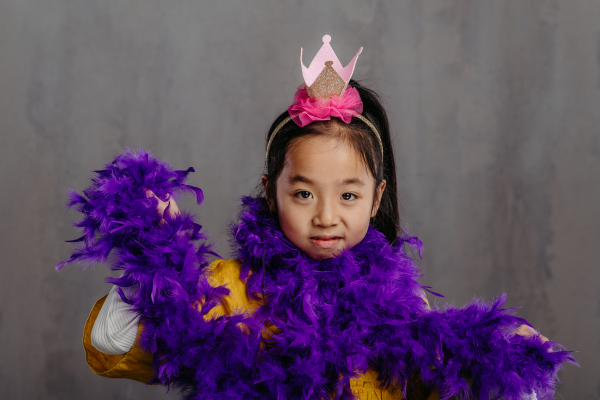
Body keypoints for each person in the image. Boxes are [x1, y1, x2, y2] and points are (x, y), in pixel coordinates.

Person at [59, 36, 573, 400]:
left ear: (376, 200)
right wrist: (157, 256)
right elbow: (112, 344)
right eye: (303, 194)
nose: (326, 217)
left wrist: (500, 361)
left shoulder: (401, 305)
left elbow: (437, 383)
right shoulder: (226, 290)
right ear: (271, 192)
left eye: (349, 197)